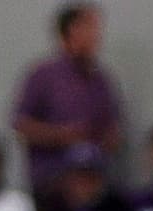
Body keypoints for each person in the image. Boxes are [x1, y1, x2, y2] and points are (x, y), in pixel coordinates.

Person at [10, 4, 124, 194]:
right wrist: (61, 135)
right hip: (51, 182)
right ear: (70, 32)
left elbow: (114, 129)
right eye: (89, 29)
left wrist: (103, 140)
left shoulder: (101, 81)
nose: (96, 37)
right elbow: (21, 125)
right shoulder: (43, 77)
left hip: (93, 180)